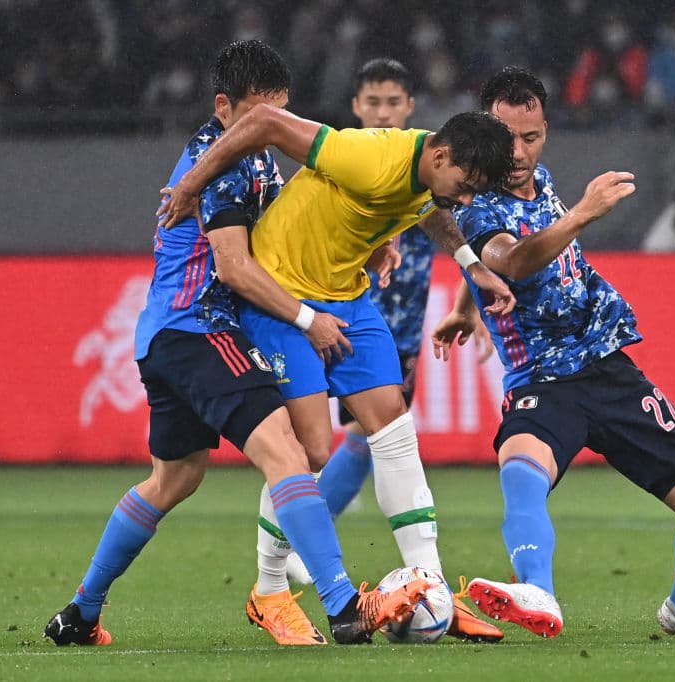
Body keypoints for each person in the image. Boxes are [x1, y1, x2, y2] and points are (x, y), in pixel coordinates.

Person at [44, 40, 429, 649]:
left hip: (164, 337)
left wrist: (366, 243)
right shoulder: (224, 161)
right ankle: (343, 605)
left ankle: (81, 611)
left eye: (277, 113)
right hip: (202, 329)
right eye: (256, 115)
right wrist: (307, 320)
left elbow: (283, 229)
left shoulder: (254, 156)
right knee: (290, 452)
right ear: (224, 107)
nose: (268, 127)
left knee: (173, 480)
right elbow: (232, 266)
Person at [156, 76, 517, 645]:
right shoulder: (368, 155)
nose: (465, 198)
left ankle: (434, 589)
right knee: (311, 451)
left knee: (394, 428)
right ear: (440, 155)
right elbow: (266, 124)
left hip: (346, 296)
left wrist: (471, 265)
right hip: (280, 297)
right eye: (464, 185)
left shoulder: (435, 177)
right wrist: (192, 185)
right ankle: (270, 590)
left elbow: (434, 211)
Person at [431, 66, 675, 638]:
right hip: (541, 378)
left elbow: (498, 261)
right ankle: (537, 589)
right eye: (504, 136)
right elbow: (509, 259)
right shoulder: (474, 201)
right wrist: (582, 213)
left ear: (545, 132)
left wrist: (466, 303)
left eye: (530, 137)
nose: (517, 151)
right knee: (521, 470)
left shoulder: (541, 180)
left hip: (607, 367)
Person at [304, 57, 493, 557]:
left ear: (410, 107)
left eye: (393, 103)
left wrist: (474, 303)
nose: (383, 112)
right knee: (330, 439)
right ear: (355, 107)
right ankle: (299, 542)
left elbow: (452, 230)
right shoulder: (350, 162)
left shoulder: (434, 172)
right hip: (335, 314)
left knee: (362, 438)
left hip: (401, 329)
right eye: (373, 102)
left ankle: (305, 540)